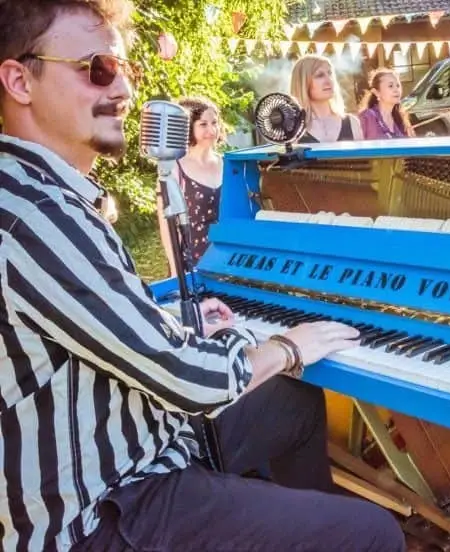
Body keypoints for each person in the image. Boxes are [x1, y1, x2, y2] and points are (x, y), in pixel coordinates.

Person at [0, 2, 406, 551]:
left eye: (126, 70)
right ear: (19, 80)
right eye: (96, 67)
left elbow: (86, 327)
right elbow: (191, 380)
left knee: (294, 405)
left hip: (130, 444)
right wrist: (284, 344)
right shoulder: (35, 217)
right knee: (373, 534)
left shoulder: (34, 192)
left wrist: (169, 320)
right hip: (100, 510)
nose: (121, 89)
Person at [156, 96, 224, 276]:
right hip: (192, 262)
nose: (211, 130)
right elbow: (167, 225)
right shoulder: (173, 168)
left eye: (214, 123)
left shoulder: (227, 164)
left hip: (227, 260)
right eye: (203, 124)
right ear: (187, 127)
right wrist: (176, 270)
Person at [290, 54, 364, 143]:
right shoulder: (292, 128)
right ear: (303, 83)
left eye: (330, 73)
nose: (329, 81)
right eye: (320, 75)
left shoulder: (352, 123)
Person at [358, 68, 415, 139]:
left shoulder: (401, 119)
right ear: (376, 92)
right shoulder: (367, 117)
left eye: (398, 85)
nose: (396, 90)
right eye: (390, 86)